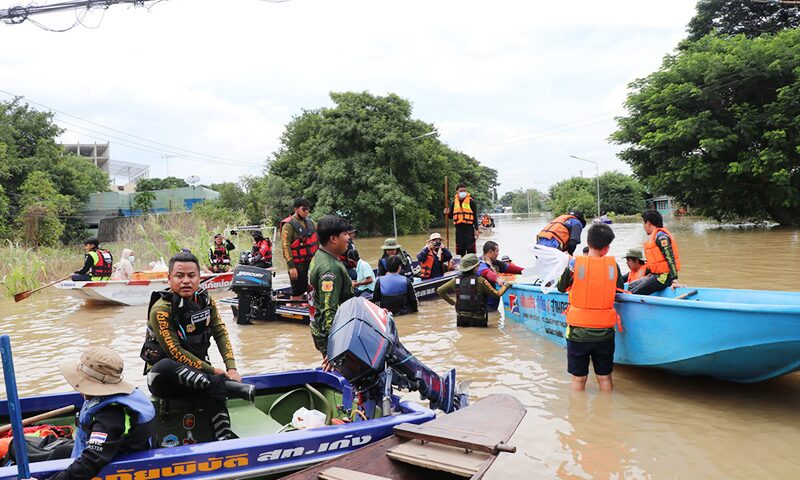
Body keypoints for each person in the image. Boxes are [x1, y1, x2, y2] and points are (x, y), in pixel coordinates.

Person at [139, 252, 254, 442]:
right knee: (166, 365)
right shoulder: (161, 309)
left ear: (199, 278)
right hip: (166, 379)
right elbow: (174, 352)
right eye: (179, 276)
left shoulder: (206, 301)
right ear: (169, 278)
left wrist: (231, 367)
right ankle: (227, 387)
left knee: (210, 384)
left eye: (191, 276)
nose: (186, 281)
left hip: (198, 377)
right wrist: (213, 370)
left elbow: (220, 332)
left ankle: (223, 438)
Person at [48, 346, 155, 480]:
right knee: (59, 451)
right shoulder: (125, 397)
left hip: (116, 464)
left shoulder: (110, 416)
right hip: (110, 450)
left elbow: (91, 462)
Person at [556, 223, 623, 392]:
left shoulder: (574, 264)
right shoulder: (613, 266)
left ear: (587, 241)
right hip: (605, 333)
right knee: (605, 378)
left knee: (579, 379)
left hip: (578, 333)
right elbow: (620, 288)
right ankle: (607, 414)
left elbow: (561, 287)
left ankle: (577, 416)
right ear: (606, 248)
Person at [308, 215, 355, 360]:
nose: (349, 238)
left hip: (318, 328)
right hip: (331, 336)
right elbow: (328, 311)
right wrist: (333, 350)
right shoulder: (329, 269)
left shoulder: (320, 256)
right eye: (345, 234)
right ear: (333, 239)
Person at [437, 253, 512, 327]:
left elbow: (440, 291)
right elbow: (497, 294)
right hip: (478, 319)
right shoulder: (480, 281)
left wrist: (453, 303)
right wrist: (507, 285)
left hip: (461, 319)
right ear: (475, 267)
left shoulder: (455, 280)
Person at [629, 210, 681, 295]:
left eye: (643, 224)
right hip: (656, 275)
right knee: (631, 286)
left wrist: (674, 280)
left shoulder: (661, 238)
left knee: (632, 293)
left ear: (648, 223)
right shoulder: (655, 237)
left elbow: (670, 259)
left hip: (663, 278)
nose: (643, 227)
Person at [280, 198, 318, 301]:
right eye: (304, 209)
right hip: (297, 264)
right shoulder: (288, 225)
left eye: (308, 209)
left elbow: (317, 240)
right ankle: (295, 310)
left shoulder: (310, 222)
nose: (306, 212)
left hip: (311, 262)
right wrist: (291, 266)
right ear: (296, 209)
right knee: (298, 290)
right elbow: (285, 246)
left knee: (314, 287)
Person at [477, 241, 524, 310]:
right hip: (483, 306)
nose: (498, 254)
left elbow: (508, 268)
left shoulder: (494, 262)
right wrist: (497, 279)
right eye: (497, 251)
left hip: (492, 304)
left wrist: (526, 271)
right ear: (491, 251)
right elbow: (486, 272)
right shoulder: (480, 263)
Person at [444, 183, 479, 256]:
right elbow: (451, 216)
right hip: (459, 229)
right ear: (457, 192)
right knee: (461, 249)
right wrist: (446, 213)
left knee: (470, 248)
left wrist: (476, 229)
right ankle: (463, 263)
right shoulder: (454, 203)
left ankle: (471, 263)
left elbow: (475, 216)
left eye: (464, 190)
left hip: (469, 229)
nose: (463, 192)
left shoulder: (471, 202)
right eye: (461, 190)